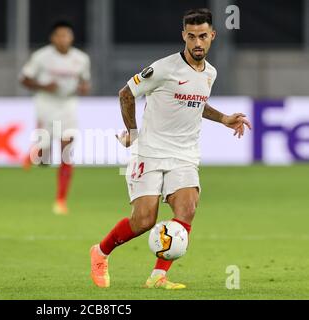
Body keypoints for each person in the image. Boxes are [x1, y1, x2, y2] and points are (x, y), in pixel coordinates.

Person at [90, 8, 252, 289]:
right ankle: (100, 252)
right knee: (143, 220)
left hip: (185, 154)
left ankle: (158, 276)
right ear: (184, 37)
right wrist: (132, 132)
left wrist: (224, 119)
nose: (197, 43)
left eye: (203, 36)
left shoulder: (210, 73)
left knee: (187, 209)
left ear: (212, 36)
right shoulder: (163, 68)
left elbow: (196, 102)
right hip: (150, 151)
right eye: (191, 37)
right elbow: (126, 93)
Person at [20, 21, 91, 215]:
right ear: (53, 38)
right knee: (44, 158)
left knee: (67, 150)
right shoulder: (41, 57)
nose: (63, 39)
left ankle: (60, 200)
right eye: (59, 35)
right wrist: (44, 86)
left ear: (71, 38)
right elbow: (24, 79)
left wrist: (84, 88)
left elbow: (85, 82)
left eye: (66, 35)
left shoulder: (81, 59)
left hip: (68, 105)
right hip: (46, 104)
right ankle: (35, 153)